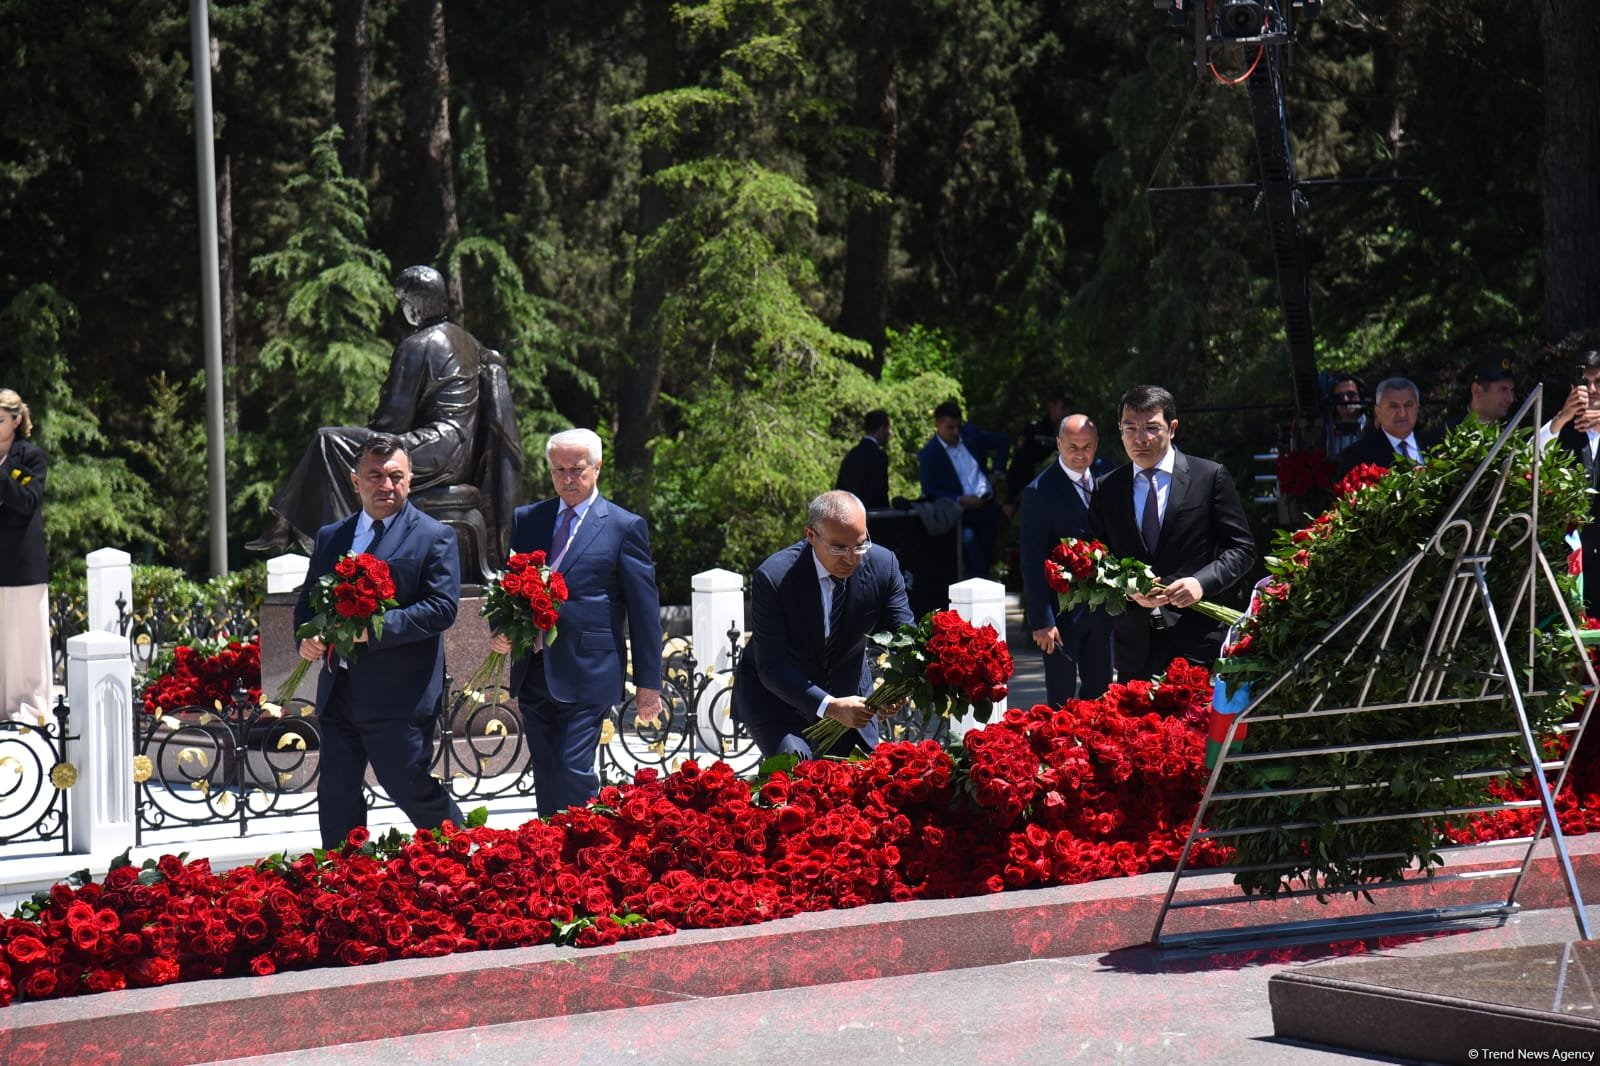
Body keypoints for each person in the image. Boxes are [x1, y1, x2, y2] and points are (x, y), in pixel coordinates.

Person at [249, 265, 517, 555]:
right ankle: (295, 529)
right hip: (461, 452)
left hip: (436, 451)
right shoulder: (467, 341)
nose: (402, 309)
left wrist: (369, 430)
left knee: (329, 441)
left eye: (403, 301)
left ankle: (330, 547)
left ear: (415, 304)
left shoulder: (418, 344)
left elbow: (393, 421)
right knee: (342, 446)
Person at [295, 435, 465, 850]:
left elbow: (442, 609)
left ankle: (466, 852)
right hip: (339, 689)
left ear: (410, 480)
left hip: (399, 693)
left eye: (395, 476)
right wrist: (308, 634)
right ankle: (345, 873)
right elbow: (308, 603)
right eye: (375, 476)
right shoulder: (332, 536)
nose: (386, 485)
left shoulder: (434, 536)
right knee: (336, 793)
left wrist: (374, 629)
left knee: (407, 784)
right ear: (356, 482)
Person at [489, 429, 663, 819]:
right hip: (534, 666)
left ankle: (585, 845)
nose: (568, 478)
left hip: (590, 669)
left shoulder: (623, 526)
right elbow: (507, 583)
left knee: (573, 768)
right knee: (547, 768)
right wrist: (501, 628)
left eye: (577, 469)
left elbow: (644, 611)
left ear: (597, 468)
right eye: (559, 470)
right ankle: (549, 846)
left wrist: (648, 684)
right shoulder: (528, 519)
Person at [1089, 385, 1256, 683]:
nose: (1140, 438)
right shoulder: (1107, 488)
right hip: (1134, 649)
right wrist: (1127, 587)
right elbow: (1096, 559)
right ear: (1120, 430)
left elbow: (1242, 549)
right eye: (1130, 428)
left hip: (1197, 641)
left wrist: (1200, 583)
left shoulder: (1209, 477)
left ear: (1173, 428)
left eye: (1152, 428)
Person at [731, 490, 913, 759]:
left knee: (865, 780)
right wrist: (830, 706)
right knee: (797, 777)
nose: (851, 558)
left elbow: (904, 637)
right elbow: (772, 666)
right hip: (779, 703)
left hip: (852, 701)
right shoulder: (774, 577)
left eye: (860, 545)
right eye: (839, 548)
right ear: (811, 535)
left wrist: (898, 687)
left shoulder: (884, 565)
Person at [1018, 414, 1114, 705]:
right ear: (1059, 444)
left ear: (1096, 444)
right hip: (1061, 613)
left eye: (1087, 446)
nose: (1080, 454)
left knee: (1101, 693)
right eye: (1073, 446)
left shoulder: (1107, 476)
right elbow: (1031, 560)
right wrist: (1041, 621)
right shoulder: (1039, 491)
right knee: (1061, 699)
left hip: (1101, 609)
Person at [0, 389, 51, 723]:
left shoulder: (31, 456)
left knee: (26, 638)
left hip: (22, 561)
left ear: (16, 421)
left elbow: (28, 501)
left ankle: (32, 707)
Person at [918, 400, 1001, 579]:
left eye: (958, 426)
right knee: (974, 561)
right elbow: (929, 489)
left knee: (987, 560)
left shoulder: (970, 435)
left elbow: (1003, 441)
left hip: (986, 509)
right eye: (950, 428)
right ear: (938, 424)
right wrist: (958, 499)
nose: (955, 432)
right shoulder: (929, 454)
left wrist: (997, 472)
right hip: (961, 515)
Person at [1548, 351, 1600, 619]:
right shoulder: (1560, 429)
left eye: (1598, 382)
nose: (1591, 390)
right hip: (1569, 560)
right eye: (1585, 383)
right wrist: (1561, 418)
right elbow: (1529, 457)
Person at [1334, 376, 1439, 477]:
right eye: (1393, 406)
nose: (1402, 413)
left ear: (1417, 408)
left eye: (1408, 405)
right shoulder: (1355, 457)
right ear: (1378, 412)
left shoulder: (1437, 445)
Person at [1005, 386, 1072, 515]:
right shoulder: (1034, 429)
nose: (1067, 411)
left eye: (1069, 407)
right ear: (1052, 406)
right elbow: (1019, 463)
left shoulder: (1068, 435)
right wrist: (1010, 497)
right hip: (1027, 490)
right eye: (1063, 406)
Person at [834, 410, 892, 510]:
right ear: (881, 429)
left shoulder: (851, 455)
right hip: (871, 514)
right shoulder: (879, 456)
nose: (888, 433)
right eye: (887, 429)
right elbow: (879, 491)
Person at [1462, 350, 1516, 425]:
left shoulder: (1511, 428)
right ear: (1476, 390)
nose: (1511, 399)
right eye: (1503, 389)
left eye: (1512, 390)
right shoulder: (1450, 431)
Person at [1326, 375, 1368, 456]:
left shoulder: (1375, 426)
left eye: (1351, 394)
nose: (1345, 399)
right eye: (1339, 397)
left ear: (1361, 397)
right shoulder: (1329, 431)